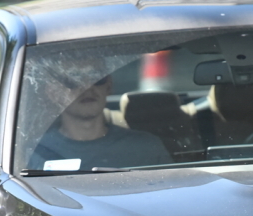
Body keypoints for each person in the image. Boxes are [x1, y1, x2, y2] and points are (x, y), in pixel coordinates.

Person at [29, 71, 172, 170]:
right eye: (72, 80)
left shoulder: (146, 148)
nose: (88, 86)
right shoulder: (32, 153)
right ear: (53, 93)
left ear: (108, 86)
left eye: (96, 77)